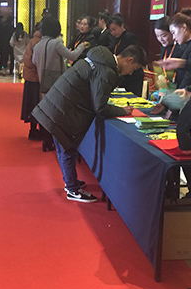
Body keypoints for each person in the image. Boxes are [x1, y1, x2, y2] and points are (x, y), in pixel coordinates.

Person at [32, 45, 147, 202]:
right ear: (129, 60)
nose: (131, 73)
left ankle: (70, 181)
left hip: (56, 104)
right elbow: (100, 107)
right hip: (63, 110)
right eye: (134, 68)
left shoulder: (99, 57)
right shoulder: (107, 71)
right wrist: (122, 111)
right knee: (67, 149)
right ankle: (72, 189)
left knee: (63, 148)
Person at [32, 17, 86, 151]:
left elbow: (34, 61)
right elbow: (72, 56)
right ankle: (55, 141)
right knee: (57, 113)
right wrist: (82, 46)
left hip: (43, 82)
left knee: (46, 111)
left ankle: (46, 139)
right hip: (56, 82)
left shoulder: (38, 45)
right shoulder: (56, 43)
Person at [107, 15, 145, 95]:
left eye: (114, 29)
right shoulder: (117, 39)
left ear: (122, 25)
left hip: (133, 75)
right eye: (111, 31)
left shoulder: (130, 38)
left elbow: (137, 56)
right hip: (124, 73)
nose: (113, 33)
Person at [156, 8, 191, 88]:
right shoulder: (186, 45)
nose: (174, 37)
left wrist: (181, 63)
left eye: (174, 32)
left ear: (184, 27)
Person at [20, 28, 42, 140]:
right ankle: (35, 131)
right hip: (35, 77)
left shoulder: (33, 40)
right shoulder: (39, 43)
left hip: (30, 76)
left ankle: (33, 130)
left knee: (31, 104)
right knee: (36, 103)